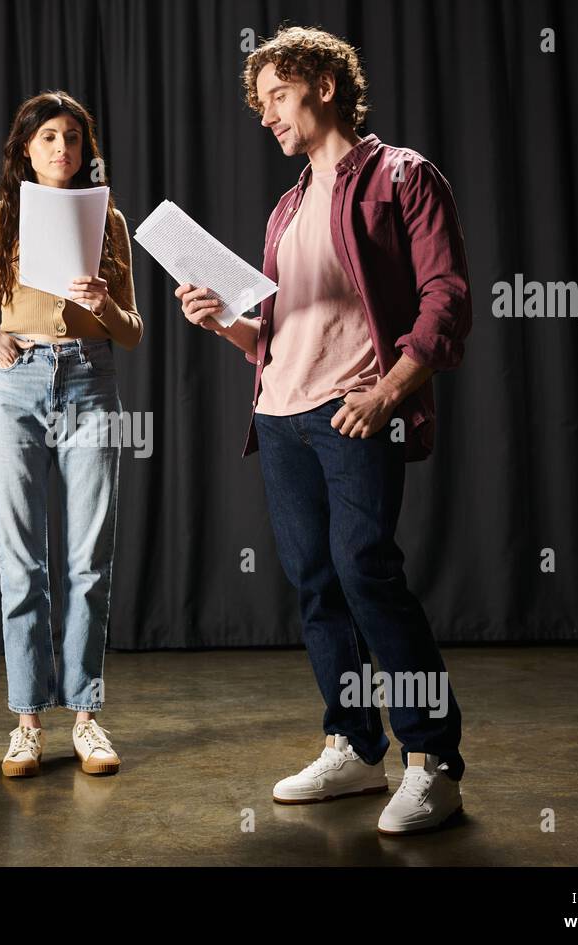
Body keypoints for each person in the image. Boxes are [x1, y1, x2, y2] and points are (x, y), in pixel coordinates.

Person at [176, 27, 473, 834]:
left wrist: (389, 392)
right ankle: (352, 742)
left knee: (366, 569)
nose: (266, 115)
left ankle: (433, 758)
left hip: (355, 411)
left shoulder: (400, 176)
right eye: (259, 103)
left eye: (278, 95)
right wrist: (224, 324)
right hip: (280, 418)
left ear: (326, 85)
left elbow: (446, 299)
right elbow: (276, 337)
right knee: (317, 585)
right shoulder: (285, 207)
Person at [0, 91, 143, 779]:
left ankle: (87, 717)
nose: (61, 147)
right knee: (21, 560)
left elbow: (133, 330)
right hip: (16, 384)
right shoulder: (0, 219)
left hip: (89, 380)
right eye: (47, 139)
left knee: (89, 557)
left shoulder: (109, 219)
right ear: (26, 151)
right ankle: (27, 722)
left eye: (71, 137)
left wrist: (105, 304)